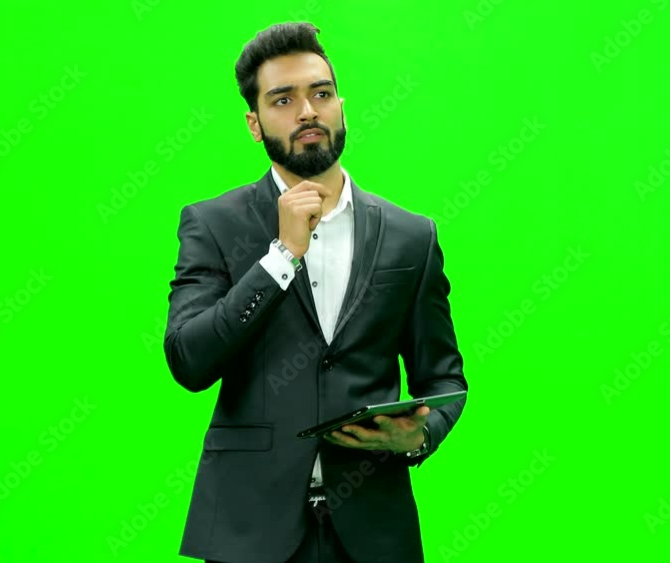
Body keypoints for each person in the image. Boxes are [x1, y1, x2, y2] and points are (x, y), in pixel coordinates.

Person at [163, 22, 468, 563]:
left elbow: (443, 376)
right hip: (248, 533)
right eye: (284, 99)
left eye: (320, 94)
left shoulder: (411, 236)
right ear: (254, 124)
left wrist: (417, 439)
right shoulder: (213, 224)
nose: (307, 111)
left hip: (376, 532)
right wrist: (280, 257)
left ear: (340, 106)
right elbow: (189, 360)